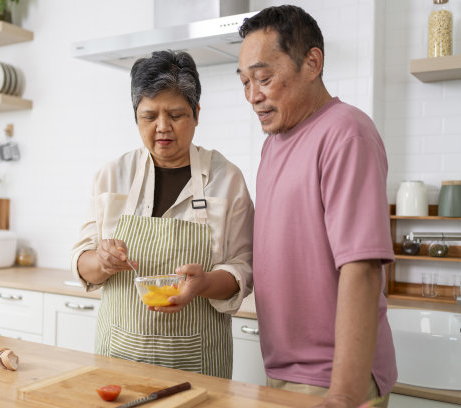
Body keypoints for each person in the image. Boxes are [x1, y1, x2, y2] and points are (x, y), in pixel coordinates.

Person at [236, 5, 396, 408]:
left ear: (312, 62)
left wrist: (343, 394)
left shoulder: (345, 132)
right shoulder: (273, 145)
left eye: (264, 78)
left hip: (333, 381)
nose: (254, 96)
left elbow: (361, 268)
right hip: (283, 371)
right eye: (245, 83)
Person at [71, 50, 254, 378]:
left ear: (197, 113)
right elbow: (82, 263)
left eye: (176, 114)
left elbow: (243, 269)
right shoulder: (113, 175)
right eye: (149, 115)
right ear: (136, 117)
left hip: (198, 363)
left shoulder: (227, 178)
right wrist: (101, 261)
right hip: (118, 358)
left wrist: (204, 283)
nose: (162, 127)